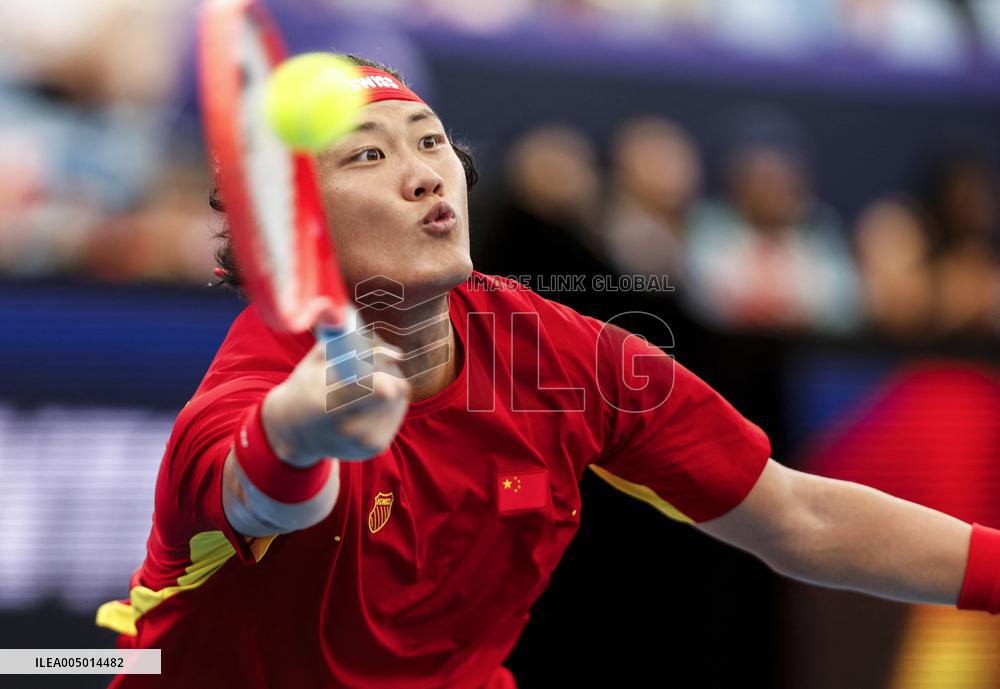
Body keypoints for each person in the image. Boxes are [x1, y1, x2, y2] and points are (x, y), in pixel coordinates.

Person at [97, 56, 998, 688]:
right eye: (368, 154)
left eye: (430, 140)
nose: (424, 175)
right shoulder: (244, 399)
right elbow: (255, 487)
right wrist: (303, 427)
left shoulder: (561, 357)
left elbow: (797, 516)